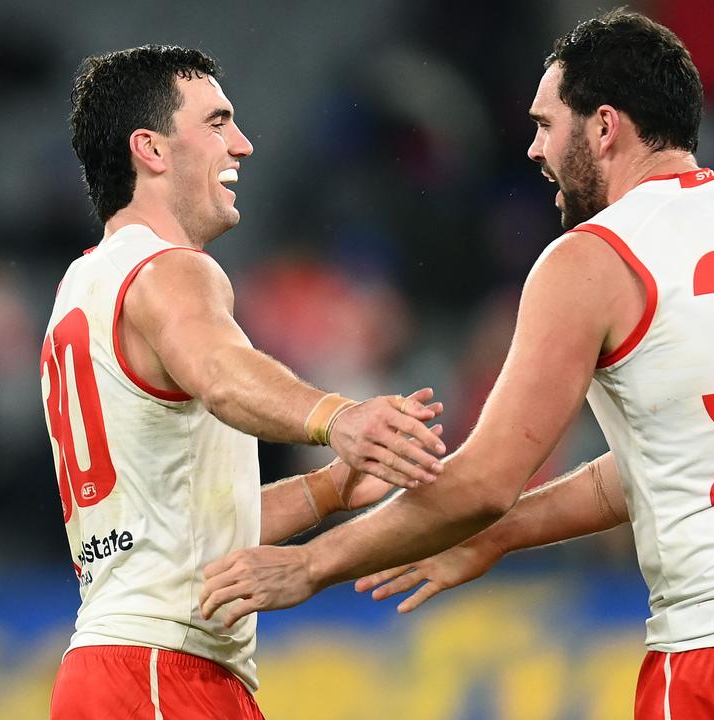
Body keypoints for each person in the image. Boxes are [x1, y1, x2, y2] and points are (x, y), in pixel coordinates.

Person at [200, 10, 714, 718]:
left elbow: (483, 480)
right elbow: (667, 461)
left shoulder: (592, 257)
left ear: (604, 127)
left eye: (546, 124)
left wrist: (311, 565)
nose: (533, 150)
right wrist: (499, 535)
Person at [41, 45, 448, 719]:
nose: (244, 144)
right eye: (217, 122)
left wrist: (327, 486)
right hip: (162, 672)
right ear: (152, 149)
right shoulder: (173, 269)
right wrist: (338, 418)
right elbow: (224, 378)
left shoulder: (81, 289)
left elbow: (179, 528)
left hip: (117, 665)